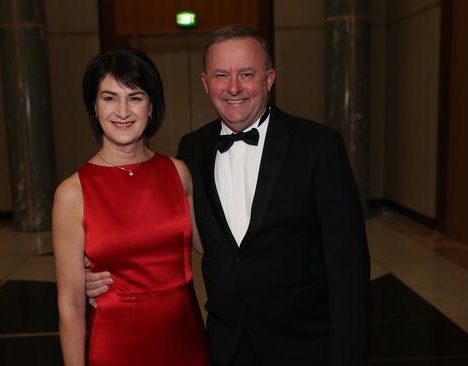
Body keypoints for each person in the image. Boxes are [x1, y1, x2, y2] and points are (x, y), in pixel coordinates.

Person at [86, 26, 370, 365]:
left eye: (246, 74)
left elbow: (349, 267)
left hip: (305, 347)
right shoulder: (191, 151)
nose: (233, 87)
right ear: (206, 84)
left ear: (269, 78)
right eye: (222, 75)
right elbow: (163, 234)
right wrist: (103, 272)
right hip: (226, 347)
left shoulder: (318, 146)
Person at [52, 47, 209, 366]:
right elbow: (70, 305)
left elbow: (213, 245)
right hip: (116, 350)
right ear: (94, 108)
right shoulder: (73, 192)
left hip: (186, 343)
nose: (122, 111)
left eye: (135, 97)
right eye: (109, 98)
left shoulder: (178, 173)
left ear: (151, 106)